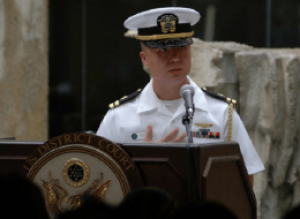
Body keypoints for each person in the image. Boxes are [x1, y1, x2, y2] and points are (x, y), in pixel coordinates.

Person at [97, 7, 264, 184]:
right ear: (144, 58)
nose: (175, 57)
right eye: (163, 50)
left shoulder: (221, 113)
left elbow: (246, 180)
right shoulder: (120, 117)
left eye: (182, 46)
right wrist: (141, 164)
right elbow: (100, 181)